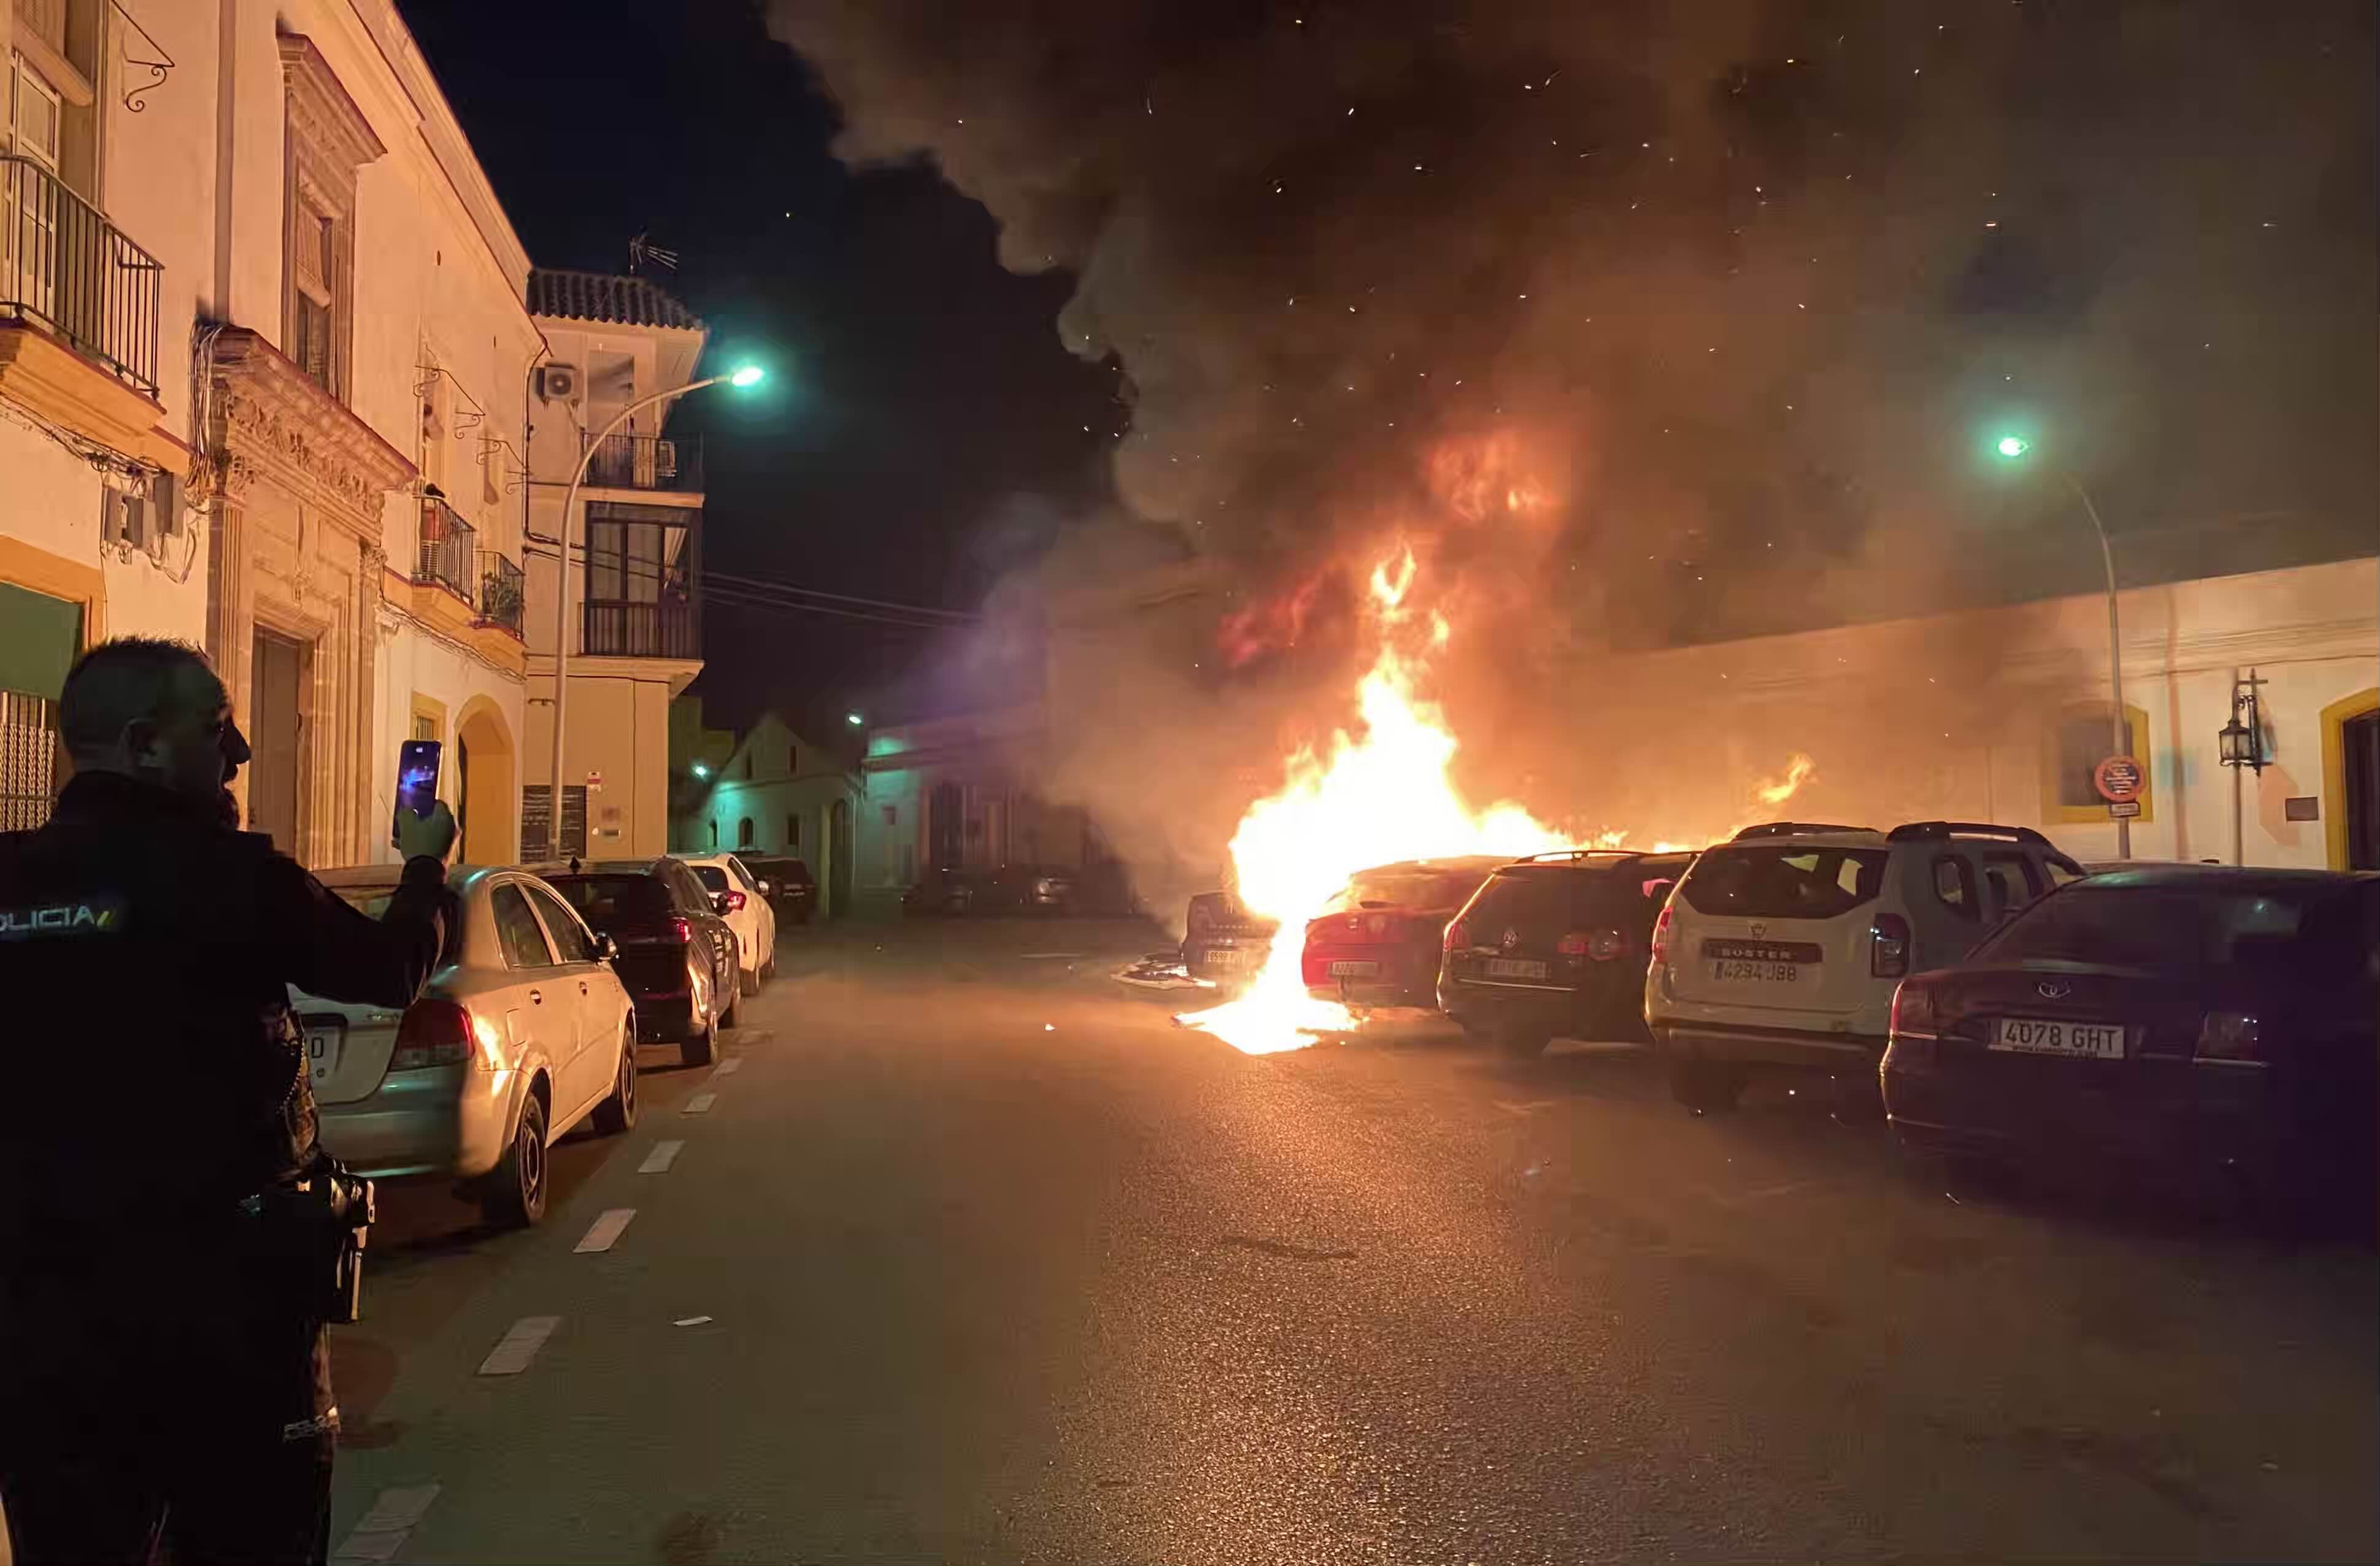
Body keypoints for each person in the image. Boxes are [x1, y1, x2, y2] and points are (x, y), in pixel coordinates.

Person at [0, 638, 458, 1565]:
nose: (240, 752)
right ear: (146, 745)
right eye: (217, 728)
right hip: (228, 1323)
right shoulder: (232, 878)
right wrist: (421, 868)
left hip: (41, 1329)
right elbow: (389, 968)